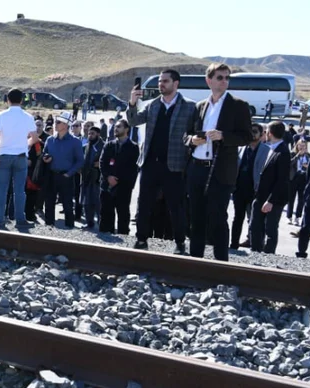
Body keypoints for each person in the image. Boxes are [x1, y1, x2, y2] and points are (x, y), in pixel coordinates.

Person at [186, 63, 252, 261]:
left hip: (221, 170)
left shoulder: (238, 105)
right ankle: (195, 260)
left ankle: (221, 262)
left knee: (217, 217)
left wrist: (224, 136)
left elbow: (247, 137)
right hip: (197, 167)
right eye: (220, 77)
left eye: (226, 78)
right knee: (196, 217)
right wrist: (191, 140)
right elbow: (186, 135)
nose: (224, 81)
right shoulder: (200, 106)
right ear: (209, 81)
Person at [127, 69, 196, 254]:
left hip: (174, 165)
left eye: (165, 81)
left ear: (176, 83)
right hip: (150, 163)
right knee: (144, 204)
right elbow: (133, 121)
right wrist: (132, 103)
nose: (161, 84)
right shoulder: (152, 105)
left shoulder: (189, 106)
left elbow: (194, 133)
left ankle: (180, 242)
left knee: (176, 206)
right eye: (159, 81)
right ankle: (141, 239)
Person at [0, 88, 37, 228]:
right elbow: (34, 138)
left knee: (2, 189)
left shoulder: (1, 115)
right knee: (19, 190)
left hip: (4, 155)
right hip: (21, 156)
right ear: (22, 100)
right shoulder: (28, 117)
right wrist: (25, 145)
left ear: (7, 100)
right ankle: (20, 220)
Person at [249, 121, 290, 254]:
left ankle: (268, 255)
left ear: (270, 133)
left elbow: (282, 180)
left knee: (270, 229)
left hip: (273, 199)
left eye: (266, 132)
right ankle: (255, 251)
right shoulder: (270, 147)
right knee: (255, 226)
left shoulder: (283, 152)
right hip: (260, 195)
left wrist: (271, 201)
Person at [42, 111, 84, 228]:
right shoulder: (50, 140)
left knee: (67, 204)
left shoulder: (75, 142)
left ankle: (69, 228)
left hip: (66, 177)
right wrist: (45, 158)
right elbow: (44, 153)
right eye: (56, 121)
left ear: (66, 125)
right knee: (49, 203)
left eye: (58, 122)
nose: (55, 124)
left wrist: (69, 174)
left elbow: (80, 160)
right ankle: (48, 227)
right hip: (51, 175)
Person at [99, 119, 140, 234]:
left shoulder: (133, 147)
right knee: (106, 213)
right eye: (115, 127)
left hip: (123, 187)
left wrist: (119, 181)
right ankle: (106, 238)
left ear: (126, 129)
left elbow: (133, 168)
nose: (115, 129)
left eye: (119, 127)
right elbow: (102, 163)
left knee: (123, 214)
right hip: (107, 185)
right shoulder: (109, 145)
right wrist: (108, 177)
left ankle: (123, 239)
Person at [230, 123, 264, 249]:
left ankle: (255, 245)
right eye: (250, 131)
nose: (252, 134)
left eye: (255, 131)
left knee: (254, 220)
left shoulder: (266, 151)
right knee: (237, 218)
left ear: (261, 135)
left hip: (254, 190)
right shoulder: (240, 149)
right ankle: (233, 244)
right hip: (239, 190)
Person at [81, 127, 104, 229]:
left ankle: (102, 223)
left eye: (93, 134)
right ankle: (89, 222)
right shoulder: (87, 145)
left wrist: (100, 164)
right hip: (87, 177)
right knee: (87, 202)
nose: (90, 135)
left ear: (98, 134)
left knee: (98, 203)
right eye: (89, 134)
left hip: (97, 178)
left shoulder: (104, 146)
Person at [287, 140, 310, 225]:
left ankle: (297, 217)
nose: (301, 147)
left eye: (303, 145)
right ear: (296, 146)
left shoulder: (309, 156)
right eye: (300, 145)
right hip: (293, 178)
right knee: (291, 198)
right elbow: (289, 164)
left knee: (301, 199)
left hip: (303, 178)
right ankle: (289, 216)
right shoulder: (292, 154)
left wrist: (307, 167)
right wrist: (297, 156)